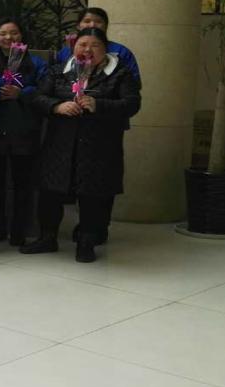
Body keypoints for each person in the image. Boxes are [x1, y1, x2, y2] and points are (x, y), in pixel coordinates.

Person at [23, 27, 141, 262]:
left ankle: (86, 243)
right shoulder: (59, 71)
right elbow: (37, 97)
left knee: (92, 196)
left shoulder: (120, 74)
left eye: (94, 45)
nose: (87, 50)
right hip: (59, 145)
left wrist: (99, 105)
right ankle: (47, 237)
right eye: (82, 45)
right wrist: (57, 106)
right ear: (73, 47)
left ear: (105, 49)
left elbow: (132, 104)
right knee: (50, 193)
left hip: (99, 147)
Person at [0, 17, 48, 247]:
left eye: (14, 33)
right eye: (3, 33)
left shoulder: (36, 62)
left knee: (23, 184)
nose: (8, 37)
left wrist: (21, 93)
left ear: (22, 36)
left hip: (24, 130)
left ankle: (19, 229)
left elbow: (45, 90)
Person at [56, 7, 140, 79]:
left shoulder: (121, 51)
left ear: (106, 26)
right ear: (78, 26)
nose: (92, 25)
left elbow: (133, 82)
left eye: (98, 21)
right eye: (87, 21)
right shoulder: (66, 52)